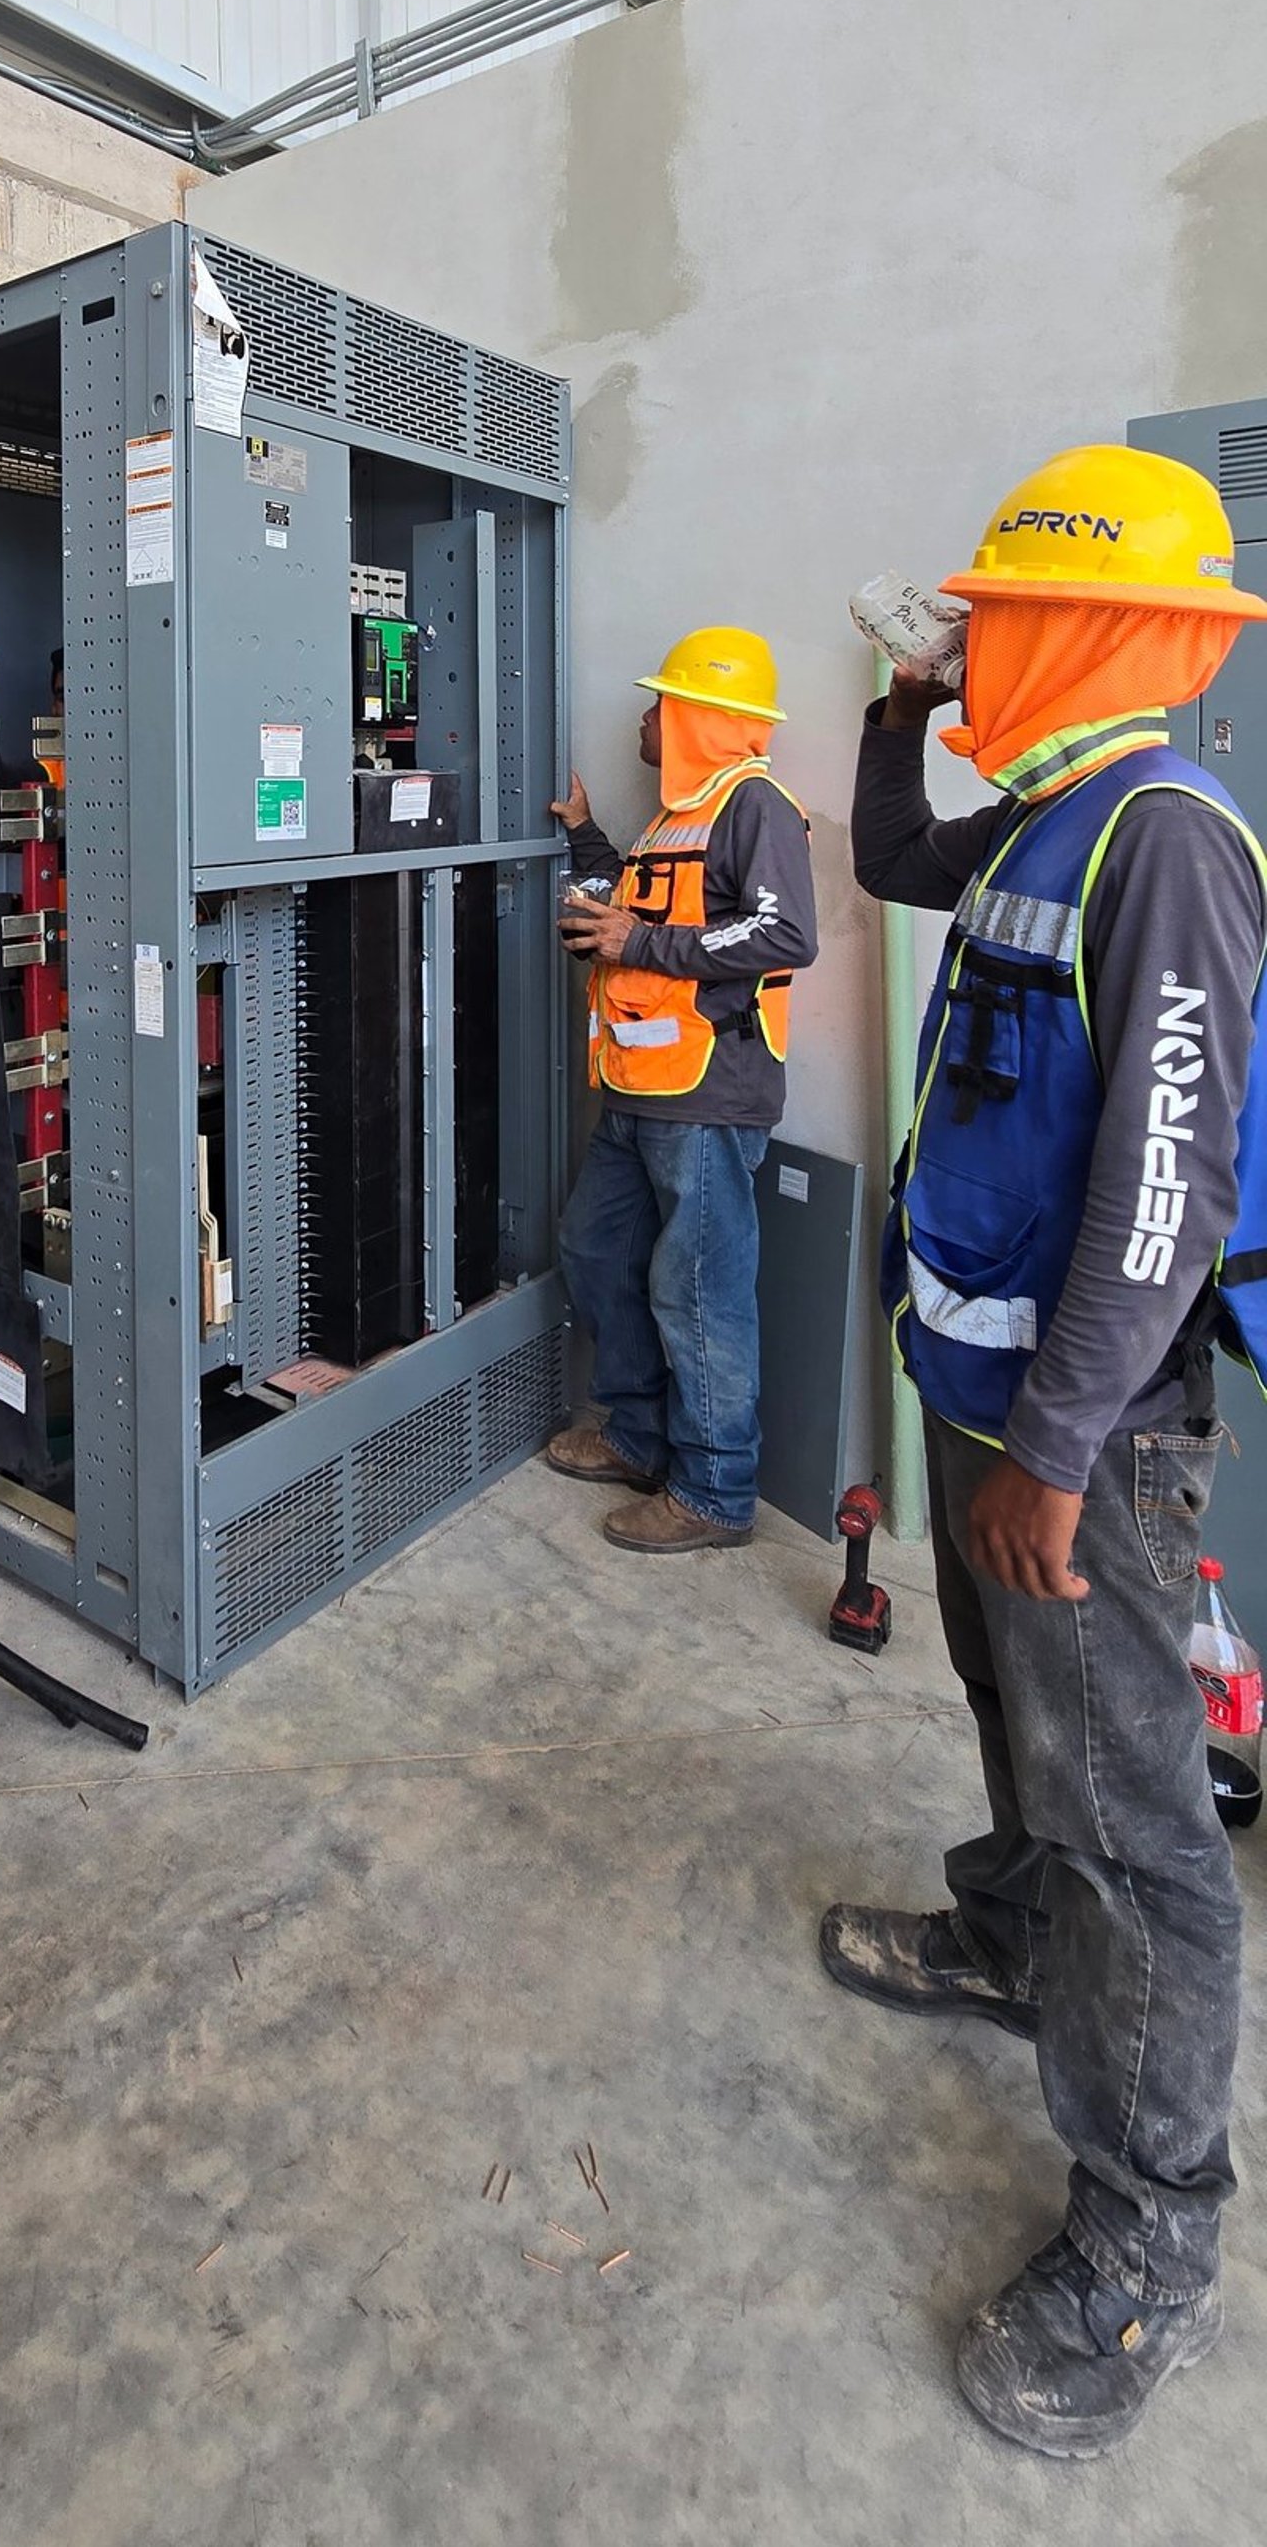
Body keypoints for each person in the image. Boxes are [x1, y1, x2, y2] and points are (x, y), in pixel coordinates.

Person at [829, 444, 1267, 2458]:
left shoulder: (1170, 837)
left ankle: (1146, 2243)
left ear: (1082, 620)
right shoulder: (1042, 817)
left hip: (1080, 1434)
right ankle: (1011, 1939)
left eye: (990, 617)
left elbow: (1161, 1190)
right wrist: (899, 709)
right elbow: (893, 869)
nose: (967, 637)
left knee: (1139, 1835)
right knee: (1012, 1721)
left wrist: (1062, 1453)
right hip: (984, 1385)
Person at [545, 626, 819, 1551]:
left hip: (708, 1095)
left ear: (703, 715)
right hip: (638, 1083)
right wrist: (585, 836)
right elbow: (634, 907)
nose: (648, 718)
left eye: (662, 704)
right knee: (594, 1250)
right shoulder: (678, 815)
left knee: (697, 1290)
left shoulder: (756, 808)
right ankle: (637, 1435)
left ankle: (713, 1491)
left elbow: (785, 937)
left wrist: (640, 945)